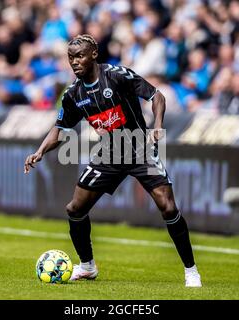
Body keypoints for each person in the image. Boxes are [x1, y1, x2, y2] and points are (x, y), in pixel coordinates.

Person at [24, 34, 202, 287]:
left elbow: (156, 96)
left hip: (140, 149)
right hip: (109, 153)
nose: (74, 62)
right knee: (75, 209)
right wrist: (40, 151)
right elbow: (60, 128)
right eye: (70, 58)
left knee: (168, 207)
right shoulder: (73, 93)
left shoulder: (117, 75)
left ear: (94, 54)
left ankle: (191, 271)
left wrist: (158, 126)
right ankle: (87, 267)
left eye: (79, 56)